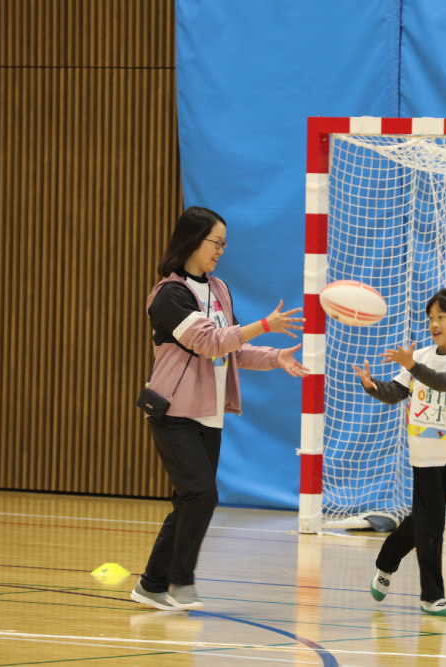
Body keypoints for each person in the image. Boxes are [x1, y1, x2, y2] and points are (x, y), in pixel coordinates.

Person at [130, 206, 309, 611]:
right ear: (193, 240)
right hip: (173, 412)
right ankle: (180, 581)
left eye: (224, 243)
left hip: (209, 414)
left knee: (189, 499)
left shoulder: (221, 289)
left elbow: (233, 347)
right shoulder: (169, 294)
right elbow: (209, 341)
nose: (221, 250)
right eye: (216, 242)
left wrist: (274, 356)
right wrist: (264, 324)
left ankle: (152, 584)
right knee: (201, 495)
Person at [353, 289, 446, 617]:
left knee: (421, 520)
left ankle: (386, 561)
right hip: (424, 453)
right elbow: (396, 392)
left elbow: (443, 382)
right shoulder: (420, 354)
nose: (433, 324)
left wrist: (412, 365)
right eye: (430, 318)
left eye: (442, 317)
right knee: (432, 522)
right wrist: (373, 386)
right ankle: (431, 596)